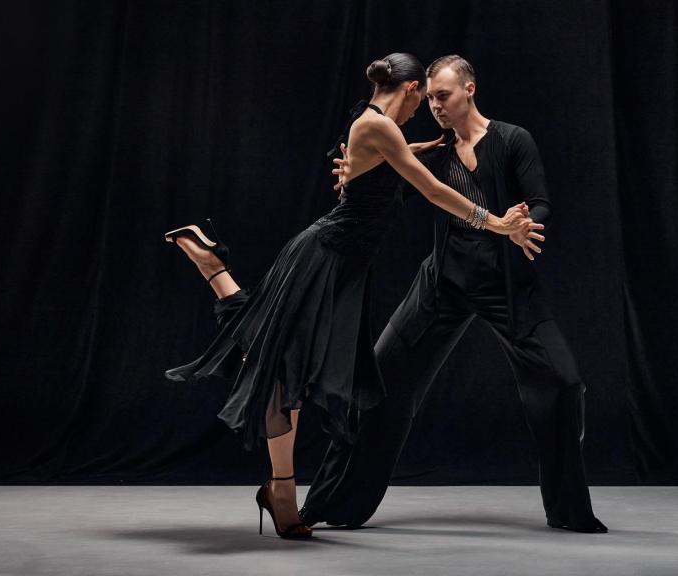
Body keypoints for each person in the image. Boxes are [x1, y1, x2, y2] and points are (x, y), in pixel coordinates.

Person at [163, 53, 539, 539]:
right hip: (324, 258)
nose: (421, 110)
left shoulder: (378, 126)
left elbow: (389, 167)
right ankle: (282, 492)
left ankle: (214, 267)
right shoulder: (377, 126)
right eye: (420, 101)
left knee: (277, 357)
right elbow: (431, 191)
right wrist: (497, 223)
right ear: (407, 90)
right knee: (280, 368)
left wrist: (417, 147)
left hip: (340, 266)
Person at [301, 55, 607, 533]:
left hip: (504, 287)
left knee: (563, 385)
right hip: (442, 283)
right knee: (378, 387)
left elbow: (542, 198)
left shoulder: (511, 139)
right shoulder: (435, 149)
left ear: (469, 89)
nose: (435, 106)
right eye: (430, 98)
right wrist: (350, 170)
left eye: (443, 96)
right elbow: (380, 179)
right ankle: (335, 505)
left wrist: (526, 220)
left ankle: (568, 509)